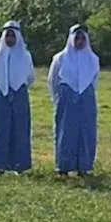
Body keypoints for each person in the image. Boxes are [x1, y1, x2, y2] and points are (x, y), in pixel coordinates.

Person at [0, 20, 36, 175]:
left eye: (13, 35)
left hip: (20, 95)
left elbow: (31, 77)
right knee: (0, 129)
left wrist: (18, 88)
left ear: (18, 37)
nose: (10, 39)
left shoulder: (25, 56)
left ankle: (19, 165)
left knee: (19, 129)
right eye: (8, 35)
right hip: (1, 96)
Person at [47, 24, 100, 176]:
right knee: (66, 131)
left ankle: (83, 166)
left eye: (83, 38)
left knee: (86, 131)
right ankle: (63, 166)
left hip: (86, 98)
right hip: (66, 98)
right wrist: (58, 98)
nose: (80, 41)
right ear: (71, 39)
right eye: (77, 38)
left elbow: (95, 80)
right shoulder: (60, 58)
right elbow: (53, 80)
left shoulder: (93, 59)